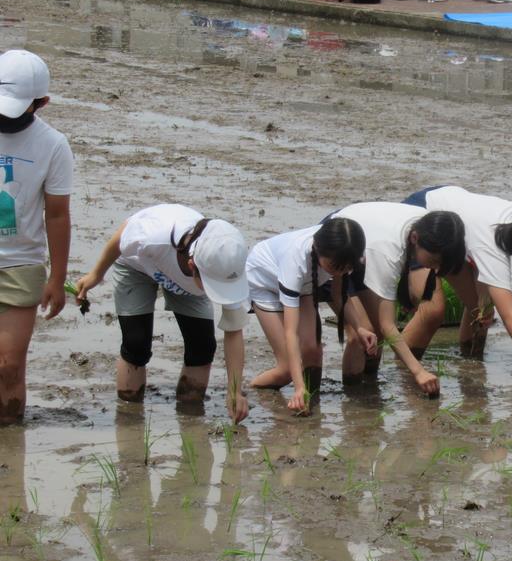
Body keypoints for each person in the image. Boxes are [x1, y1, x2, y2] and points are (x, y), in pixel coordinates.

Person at [76, 206, 251, 422]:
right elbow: (122, 235)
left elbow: (234, 331)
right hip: (137, 266)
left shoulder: (226, 262)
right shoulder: (153, 236)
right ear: (192, 266)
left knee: (203, 346)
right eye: (212, 287)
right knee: (136, 343)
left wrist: (235, 391)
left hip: (186, 282)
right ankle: (129, 420)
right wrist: (96, 274)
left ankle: (190, 418)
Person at [400, 187, 512, 385]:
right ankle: (402, 371)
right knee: (433, 310)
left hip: (457, 230)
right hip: (427, 219)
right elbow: (510, 316)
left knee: (481, 309)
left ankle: (470, 361)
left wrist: (483, 293)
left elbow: (476, 246)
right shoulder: (492, 247)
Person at [324, 203, 466, 397]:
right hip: (342, 246)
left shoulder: (432, 229)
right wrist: (418, 371)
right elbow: (387, 325)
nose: (434, 268)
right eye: (433, 262)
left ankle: (371, 387)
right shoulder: (389, 252)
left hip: (370, 247)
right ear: (415, 239)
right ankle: (354, 400)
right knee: (362, 334)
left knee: (376, 338)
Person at [0, 50, 72, 425]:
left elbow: (57, 214)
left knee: (9, 364)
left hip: (20, 262)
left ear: (40, 103)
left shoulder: (53, 145)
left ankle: (11, 443)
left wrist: (57, 279)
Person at [247, 217, 371, 413]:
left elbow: (338, 296)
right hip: (264, 283)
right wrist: (298, 387)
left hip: (303, 286)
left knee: (313, 349)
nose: (342, 272)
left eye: (347, 268)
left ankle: (311, 403)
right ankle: (251, 391)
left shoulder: (345, 251)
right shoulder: (295, 261)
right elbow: (291, 333)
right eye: (336, 268)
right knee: (286, 370)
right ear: (319, 250)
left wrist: (359, 328)